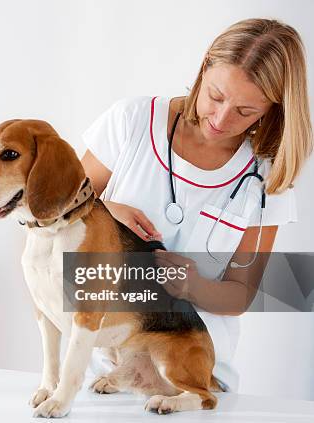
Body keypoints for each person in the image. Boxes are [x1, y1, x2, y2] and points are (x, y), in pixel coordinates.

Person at [81, 18, 312, 392]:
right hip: (104, 372)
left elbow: (240, 294)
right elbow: (54, 212)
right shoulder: (133, 122)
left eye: (245, 111)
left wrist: (192, 286)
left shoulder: (268, 177)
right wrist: (108, 210)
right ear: (204, 67)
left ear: (273, 108)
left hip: (196, 379)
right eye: (216, 97)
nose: (221, 120)